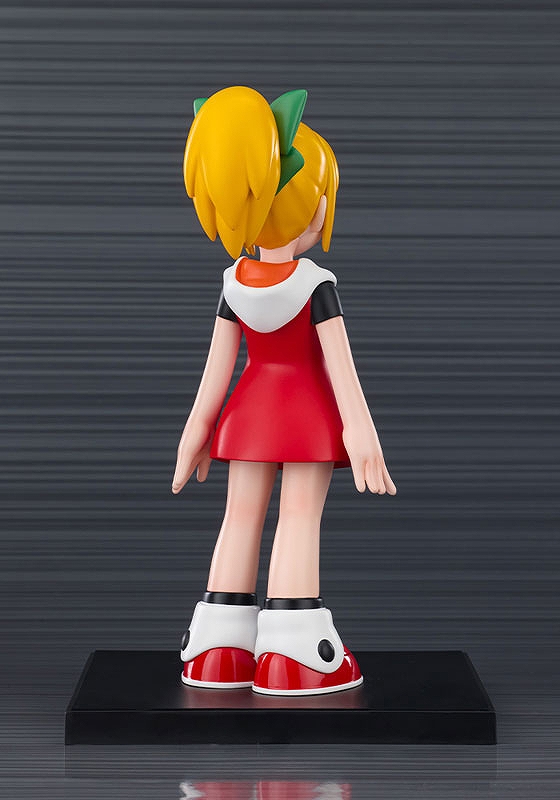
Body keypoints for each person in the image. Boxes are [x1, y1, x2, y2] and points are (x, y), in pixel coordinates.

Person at [172, 86, 396, 696]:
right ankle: (293, 655)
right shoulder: (317, 284)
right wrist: (362, 431)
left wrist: (195, 433)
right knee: (298, 517)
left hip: (247, 416)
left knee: (239, 516)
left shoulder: (232, 283)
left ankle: (218, 650)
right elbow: (342, 369)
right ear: (311, 204)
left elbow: (215, 374)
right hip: (307, 419)